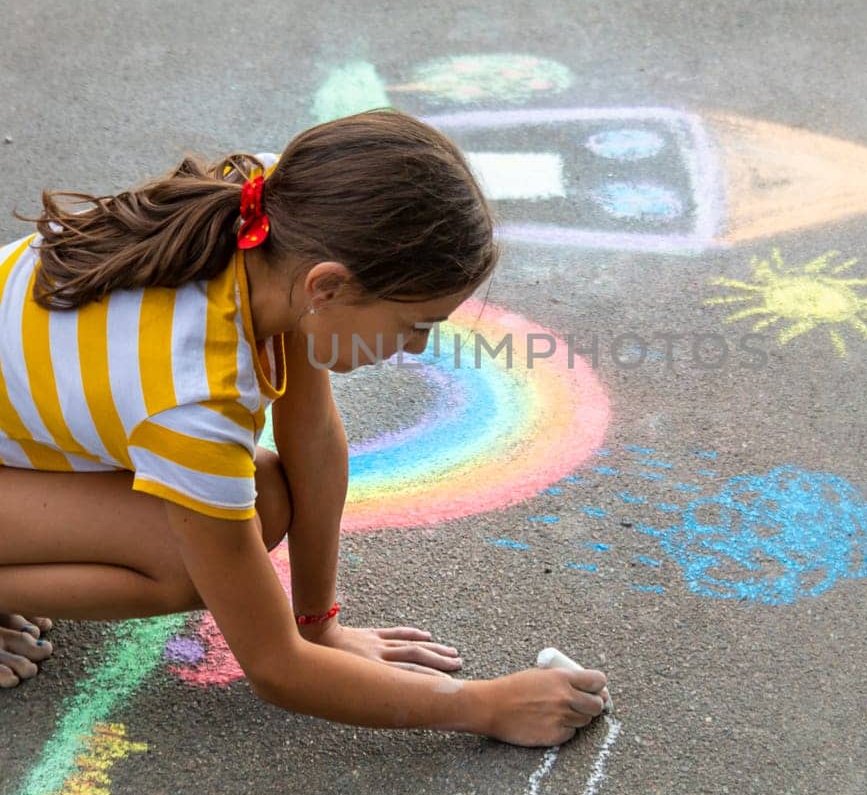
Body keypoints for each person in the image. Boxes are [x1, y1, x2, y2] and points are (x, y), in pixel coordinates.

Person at [0, 110, 609, 747]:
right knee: (193, 563)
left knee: (257, 499)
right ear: (329, 287)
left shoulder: (276, 231)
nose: (414, 347)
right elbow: (274, 668)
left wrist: (319, 623)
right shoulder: (191, 399)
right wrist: (485, 706)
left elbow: (311, 438)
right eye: (416, 325)